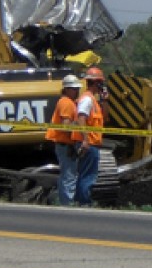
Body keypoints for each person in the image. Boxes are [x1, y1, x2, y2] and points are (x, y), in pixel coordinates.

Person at [45, 75, 83, 205]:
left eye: (77, 88)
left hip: (66, 144)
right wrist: (80, 124)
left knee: (67, 175)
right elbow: (66, 126)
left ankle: (65, 202)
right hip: (65, 144)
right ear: (66, 89)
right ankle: (68, 204)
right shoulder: (66, 103)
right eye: (74, 89)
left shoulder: (68, 102)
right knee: (69, 176)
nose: (76, 91)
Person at [73, 67, 106, 207]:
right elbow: (81, 118)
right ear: (96, 83)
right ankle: (84, 203)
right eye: (100, 83)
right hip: (88, 143)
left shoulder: (93, 100)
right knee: (88, 176)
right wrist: (85, 140)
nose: (102, 86)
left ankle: (81, 202)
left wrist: (106, 100)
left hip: (91, 143)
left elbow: (106, 116)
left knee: (85, 174)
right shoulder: (87, 99)